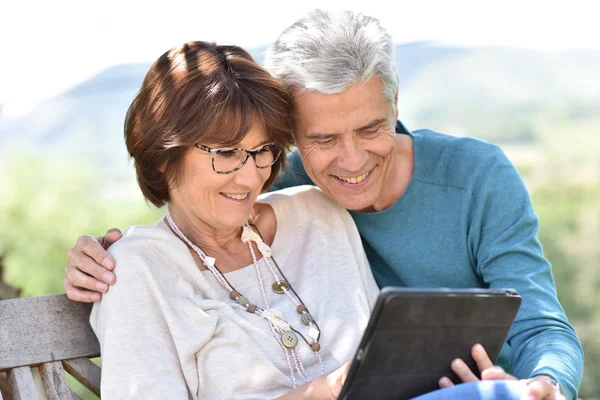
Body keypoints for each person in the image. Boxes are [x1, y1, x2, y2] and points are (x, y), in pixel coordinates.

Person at [65, 10, 582, 400]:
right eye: (325, 138)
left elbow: (540, 324)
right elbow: (187, 224)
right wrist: (116, 251)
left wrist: (546, 385)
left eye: (371, 127)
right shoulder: (147, 261)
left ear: (395, 106)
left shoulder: (322, 205)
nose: (249, 174)